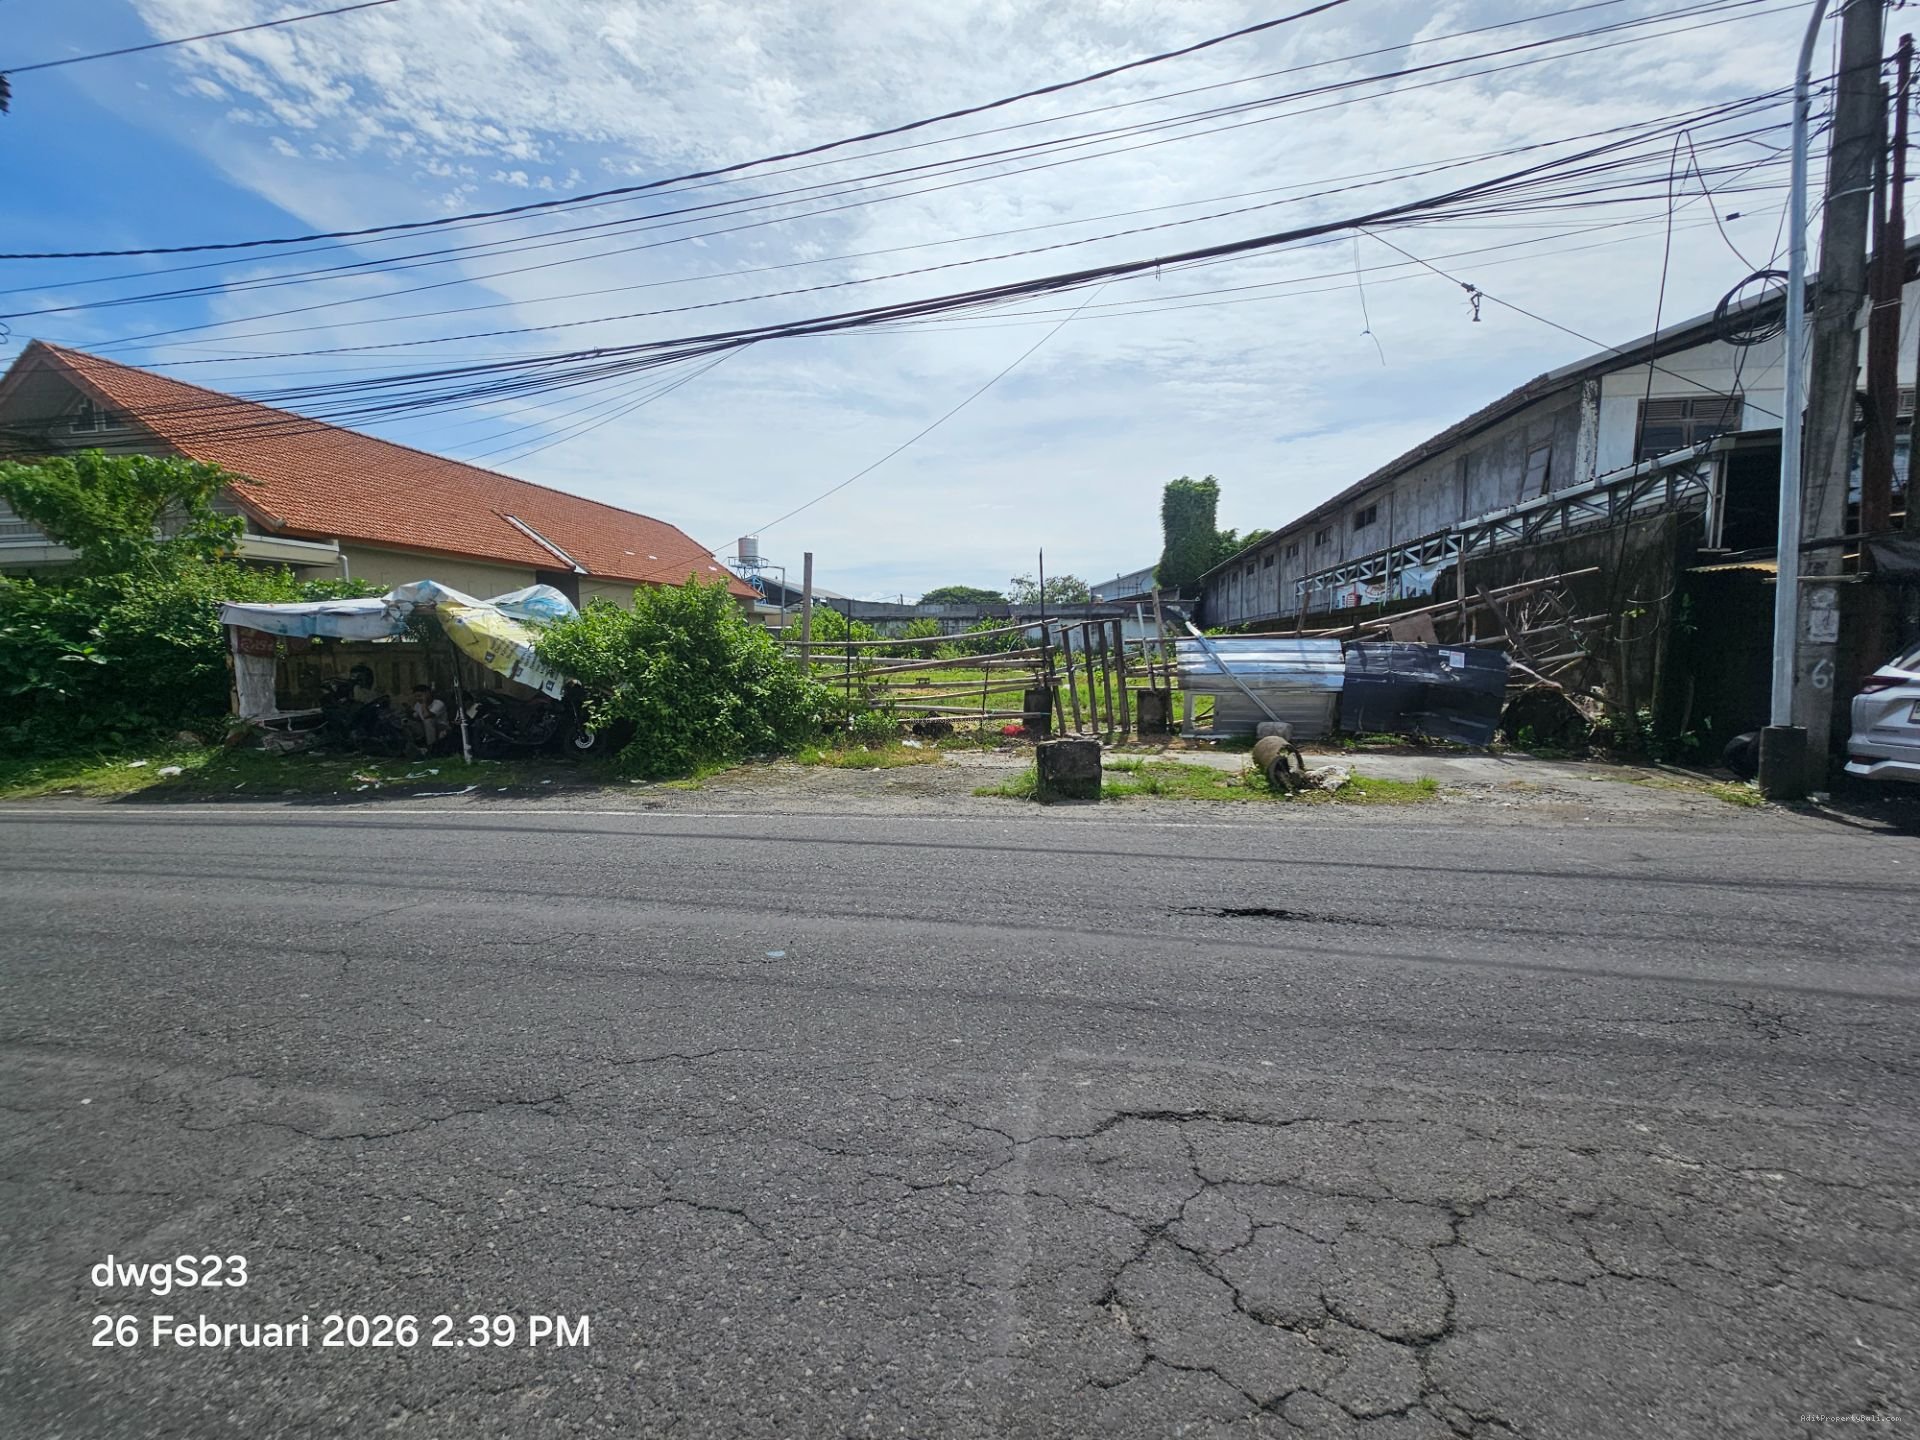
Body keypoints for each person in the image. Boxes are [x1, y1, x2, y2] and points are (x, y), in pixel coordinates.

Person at [410, 684, 449, 751]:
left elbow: (427, 716)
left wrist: (424, 703)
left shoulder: (438, 703)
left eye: (420, 696)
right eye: (416, 697)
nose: (418, 699)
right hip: (425, 728)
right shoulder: (417, 705)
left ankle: (432, 748)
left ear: (427, 694)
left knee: (428, 721)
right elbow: (417, 718)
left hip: (440, 728)